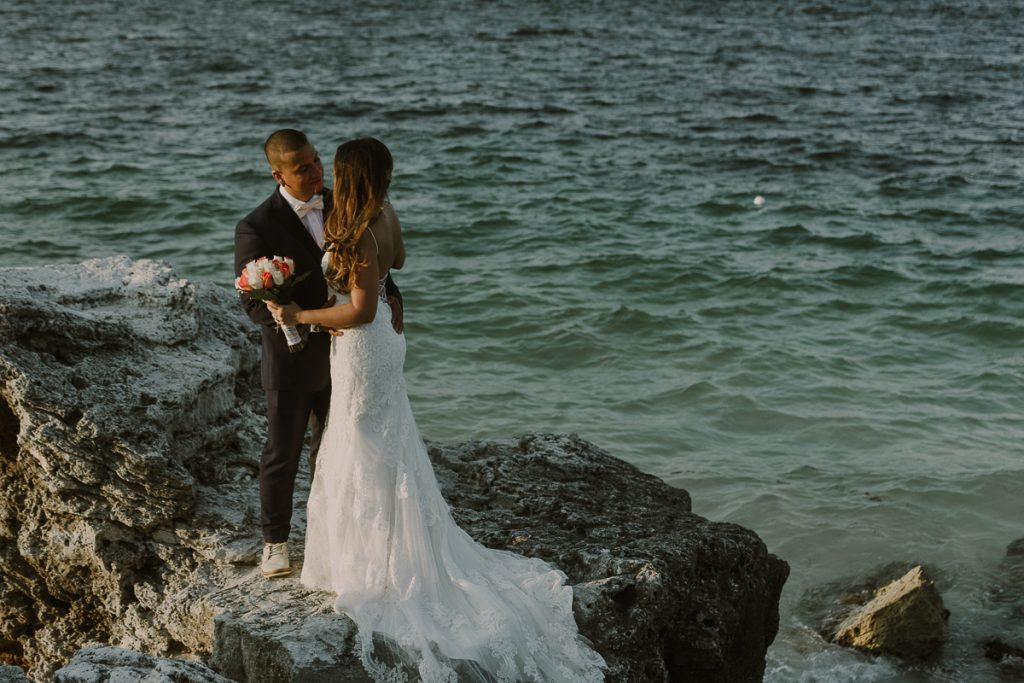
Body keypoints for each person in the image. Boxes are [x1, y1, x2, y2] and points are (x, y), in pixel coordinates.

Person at [266, 138, 605, 682]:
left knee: (360, 443)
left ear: (349, 176)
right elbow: (399, 259)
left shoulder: (353, 233)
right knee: (385, 440)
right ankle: (381, 547)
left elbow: (357, 310)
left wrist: (300, 312)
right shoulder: (383, 215)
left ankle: (369, 563)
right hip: (386, 347)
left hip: (361, 348)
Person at [234, 129, 403, 579]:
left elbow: (372, 270)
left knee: (337, 450)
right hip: (293, 358)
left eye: (315, 162)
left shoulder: (345, 202)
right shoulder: (257, 226)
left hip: (351, 355)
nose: (315, 173)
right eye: (302, 168)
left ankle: (334, 538)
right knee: (282, 451)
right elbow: (252, 302)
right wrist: (290, 317)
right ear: (278, 174)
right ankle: (275, 542)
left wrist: (393, 298)